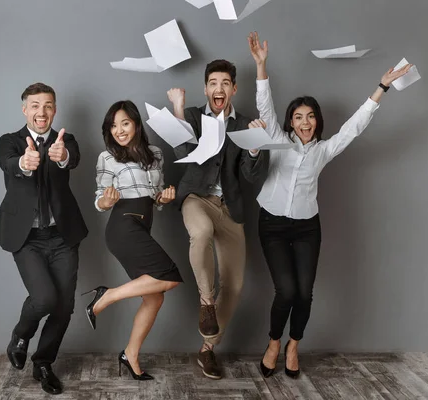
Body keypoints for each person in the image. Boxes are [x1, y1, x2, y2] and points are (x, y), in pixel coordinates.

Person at [248, 32, 412, 378]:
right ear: (290, 122)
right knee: (286, 290)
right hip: (273, 223)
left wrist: (380, 87)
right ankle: (274, 342)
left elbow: (354, 127)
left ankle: (294, 344)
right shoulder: (277, 140)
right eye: (298, 117)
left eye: (310, 117)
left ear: (316, 121)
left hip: (308, 226)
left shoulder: (323, 150)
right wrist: (261, 65)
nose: (304, 123)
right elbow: (265, 105)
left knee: (305, 294)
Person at [167, 59, 268, 379]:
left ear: (234, 89)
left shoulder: (246, 124)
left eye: (225, 83)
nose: (219, 88)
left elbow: (252, 176)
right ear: (206, 88)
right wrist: (179, 109)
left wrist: (255, 148)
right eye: (213, 82)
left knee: (236, 284)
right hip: (196, 198)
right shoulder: (194, 116)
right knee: (201, 232)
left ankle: (207, 349)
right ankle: (206, 301)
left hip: (231, 208)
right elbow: (182, 151)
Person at [0, 82, 88, 395]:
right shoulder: (9, 141)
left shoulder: (65, 140)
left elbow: (71, 158)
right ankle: (21, 335)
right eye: (34, 105)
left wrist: (60, 156)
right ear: (24, 109)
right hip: (27, 238)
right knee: (45, 298)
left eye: (47, 105)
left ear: (54, 109)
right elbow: (8, 163)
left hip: (62, 236)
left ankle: (43, 362)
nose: (41, 111)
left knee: (64, 307)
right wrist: (23, 163)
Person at [82, 100, 182, 381]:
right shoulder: (107, 157)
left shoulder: (156, 154)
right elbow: (99, 198)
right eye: (113, 125)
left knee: (155, 298)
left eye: (124, 123)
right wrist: (105, 200)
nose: (119, 130)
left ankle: (130, 354)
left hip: (143, 226)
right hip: (122, 227)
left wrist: (164, 198)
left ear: (136, 124)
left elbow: (156, 195)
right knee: (170, 277)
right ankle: (107, 295)